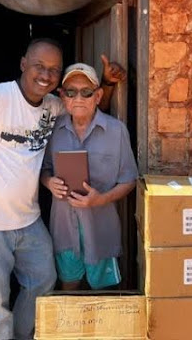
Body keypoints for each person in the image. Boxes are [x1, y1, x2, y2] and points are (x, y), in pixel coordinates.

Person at [0, 38, 125, 339]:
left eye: (54, 70)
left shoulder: (53, 106)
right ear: (23, 65)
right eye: (39, 66)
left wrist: (106, 84)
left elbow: (85, 107)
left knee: (44, 281)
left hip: (28, 222)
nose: (45, 74)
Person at [41, 63, 138, 291]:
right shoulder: (53, 130)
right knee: (69, 287)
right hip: (64, 226)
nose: (79, 98)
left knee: (104, 295)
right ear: (62, 97)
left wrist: (101, 199)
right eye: (71, 92)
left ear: (98, 96)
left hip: (100, 228)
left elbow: (129, 179)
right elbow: (43, 169)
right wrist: (48, 182)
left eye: (86, 92)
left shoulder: (116, 131)